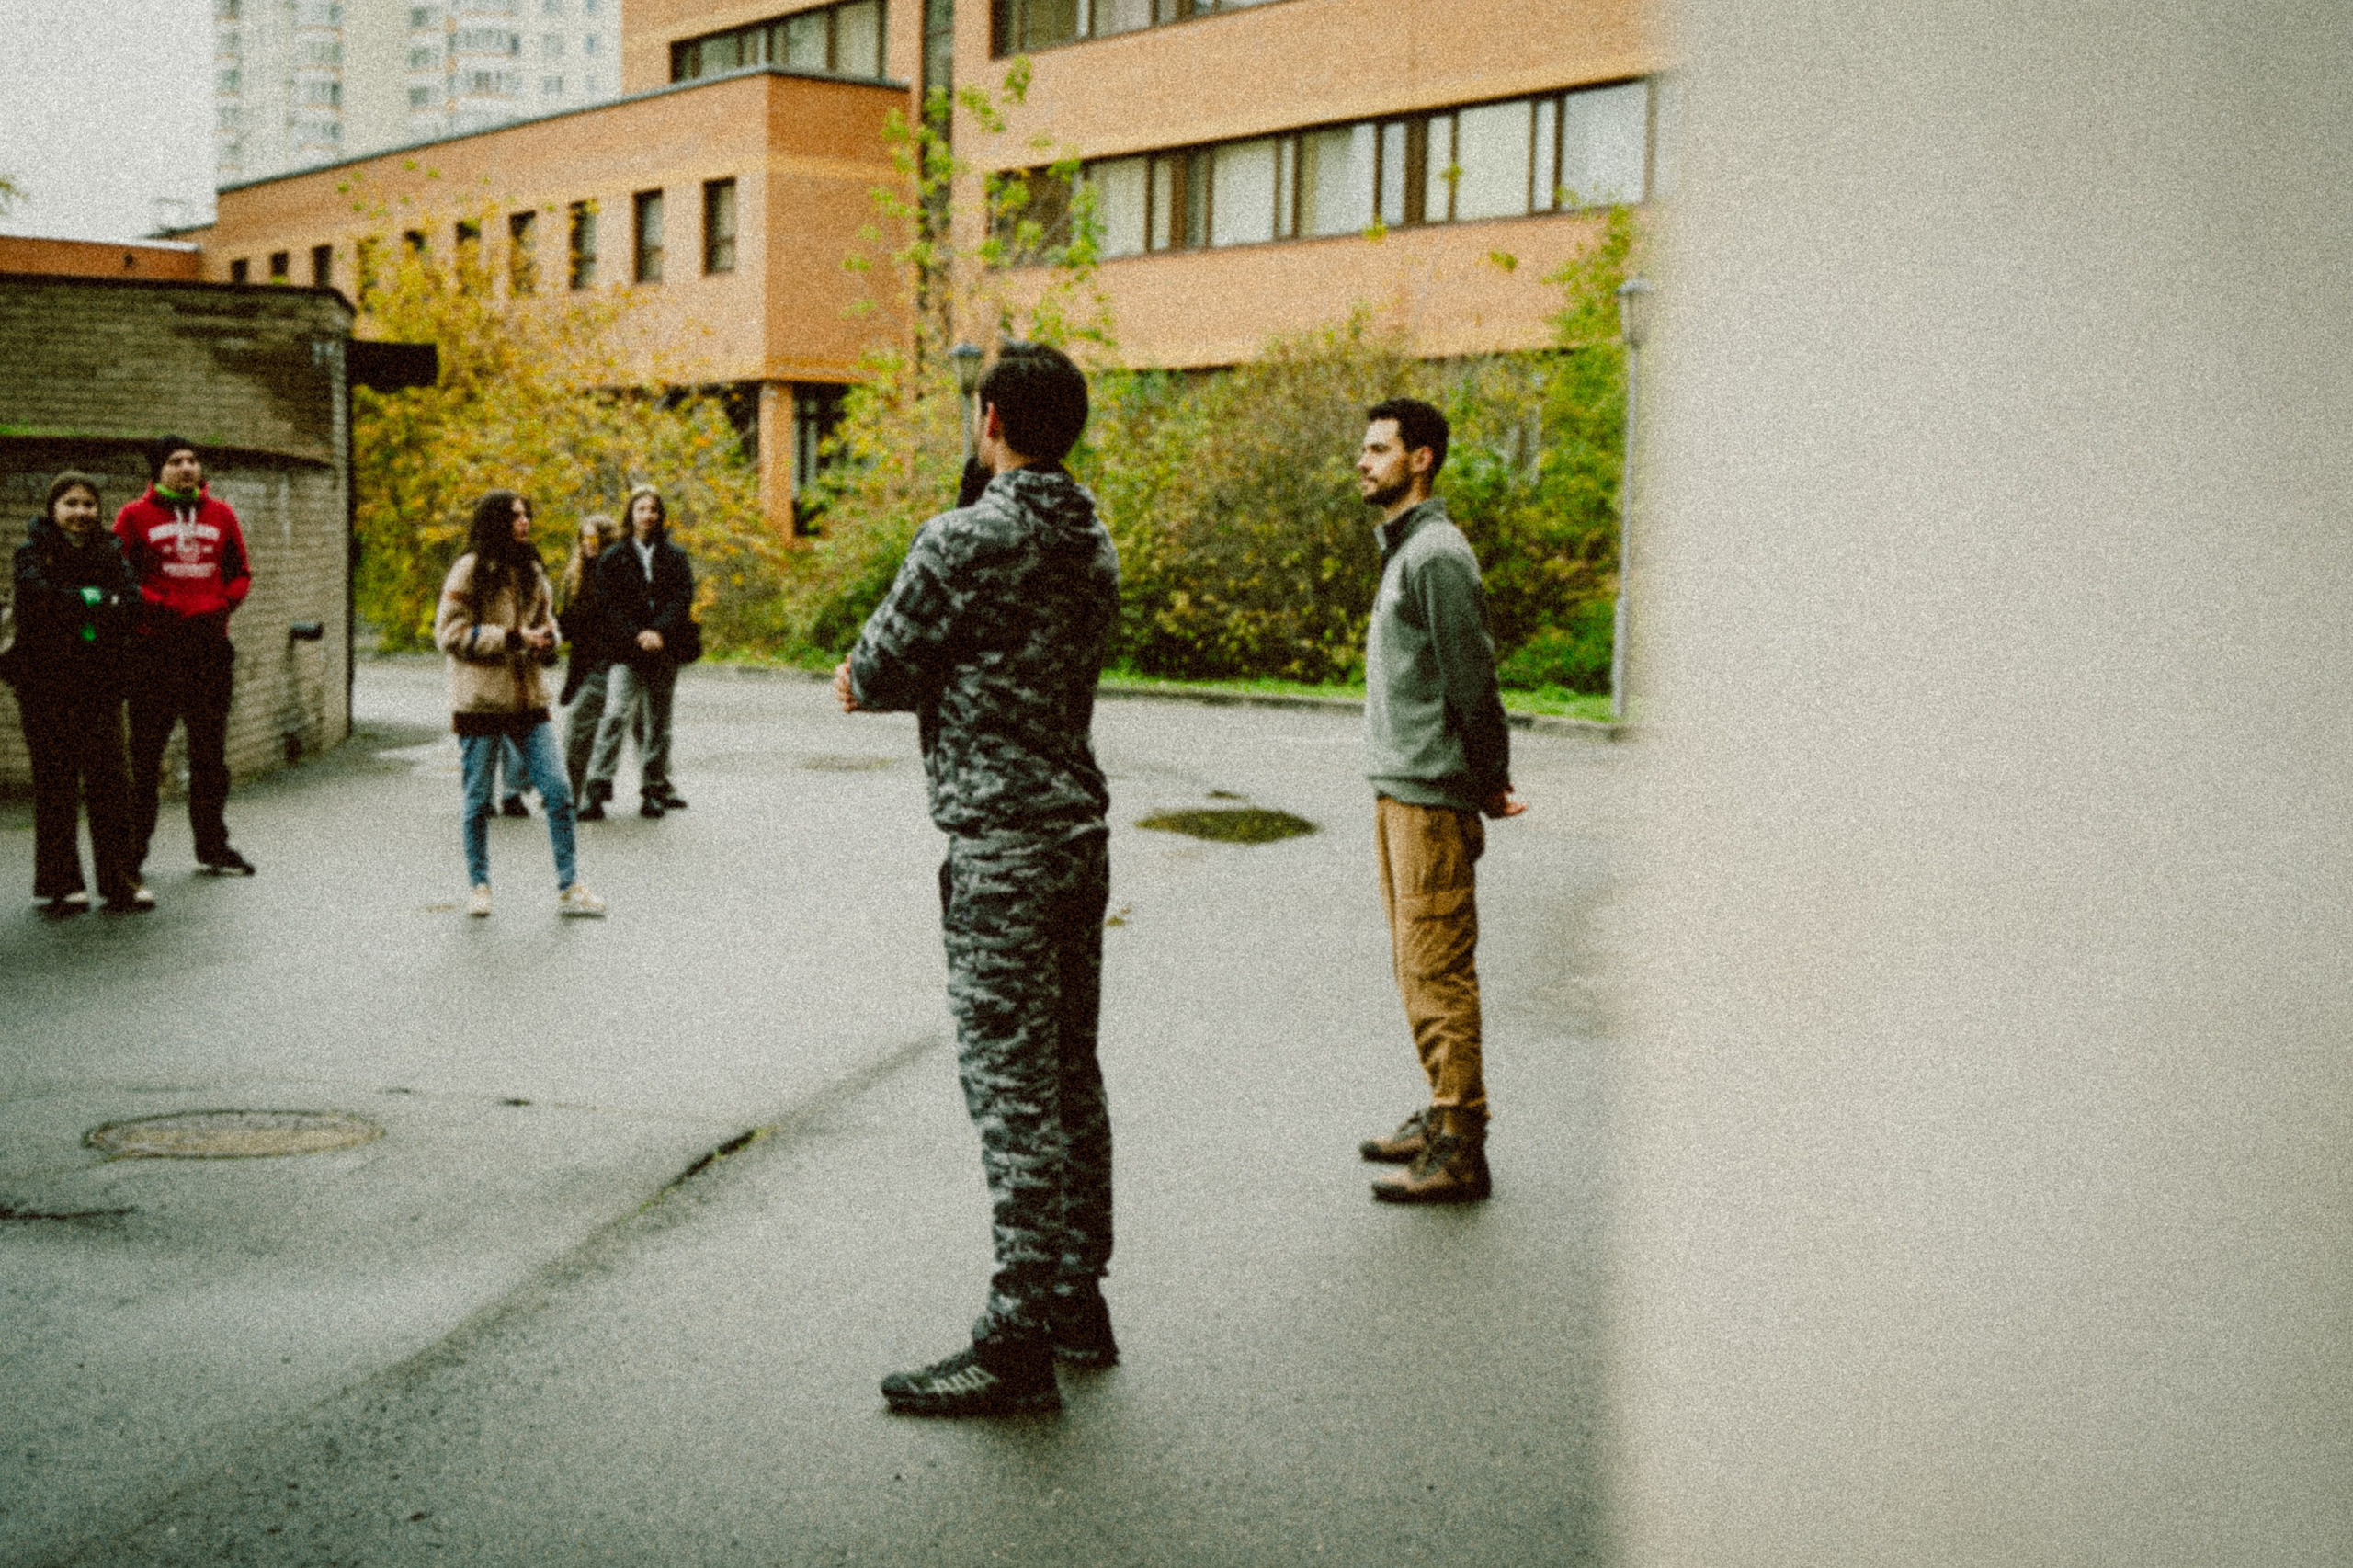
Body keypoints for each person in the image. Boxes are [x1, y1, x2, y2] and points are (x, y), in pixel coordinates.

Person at [836, 341, 1121, 1418]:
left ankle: (1014, 1338)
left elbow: (871, 670)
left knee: (1009, 1090)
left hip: (999, 846)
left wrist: (871, 679)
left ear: (991, 415)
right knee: (1069, 1072)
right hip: (1078, 834)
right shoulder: (1091, 540)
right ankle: (1076, 1295)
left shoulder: (961, 539)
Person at [1351, 397, 1525, 1205]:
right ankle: (1445, 1110)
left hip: (1429, 797)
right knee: (1416, 964)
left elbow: (1472, 676)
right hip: (1401, 791)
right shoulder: (1407, 551)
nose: (1364, 460)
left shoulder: (1436, 556)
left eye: (1380, 448)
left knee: (1437, 966)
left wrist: (1489, 780)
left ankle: (1461, 1146)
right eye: (1365, 448)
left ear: (1421, 460)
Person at [433, 490, 606, 919]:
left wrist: (548, 641)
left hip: (528, 700)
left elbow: (548, 624)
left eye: (527, 514)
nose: (524, 521)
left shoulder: (532, 570)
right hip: (480, 701)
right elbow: (449, 634)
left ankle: (569, 886)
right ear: (495, 521)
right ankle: (479, 885)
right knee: (477, 800)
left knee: (559, 790)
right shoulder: (469, 569)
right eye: (514, 516)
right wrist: (511, 638)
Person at [5, 472, 148, 912]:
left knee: (111, 786)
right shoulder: (32, 553)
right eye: (71, 503)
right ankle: (60, 884)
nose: (82, 512)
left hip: (101, 685)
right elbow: (35, 599)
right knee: (56, 786)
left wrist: (84, 602)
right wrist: (98, 600)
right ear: (54, 509)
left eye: (89, 504)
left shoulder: (111, 551)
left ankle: (121, 883)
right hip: (46, 686)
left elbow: (133, 602)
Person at [113, 436, 256, 878]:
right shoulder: (134, 516)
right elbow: (121, 576)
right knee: (146, 755)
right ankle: (132, 853)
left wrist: (221, 604)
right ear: (158, 471)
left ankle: (213, 845)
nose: (187, 467)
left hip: (209, 649)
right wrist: (164, 606)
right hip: (154, 650)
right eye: (176, 461)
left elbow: (240, 573)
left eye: (193, 460)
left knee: (210, 755)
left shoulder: (221, 514)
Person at [582, 486, 691, 821]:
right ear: (630, 513)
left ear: (660, 515)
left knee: (658, 722)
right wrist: (636, 634)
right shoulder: (614, 557)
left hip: (663, 649)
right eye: (641, 508)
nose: (648, 515)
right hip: (626, 651)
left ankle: (654, 789)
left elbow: (681, 597)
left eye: (653, 509)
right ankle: (597, 787)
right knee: (615, 713)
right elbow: (606, 605)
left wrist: (659, 631)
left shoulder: (674, 557)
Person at [556, 512, 633, 807]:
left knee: (591, 726)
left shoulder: (617, 572)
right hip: (588, 664)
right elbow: (572, 624)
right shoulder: (578, 577)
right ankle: (574, 795)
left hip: (613, 661)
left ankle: (584, 795)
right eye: (583, 538)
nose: (588, 544)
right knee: (582, 728)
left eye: (594, 537)